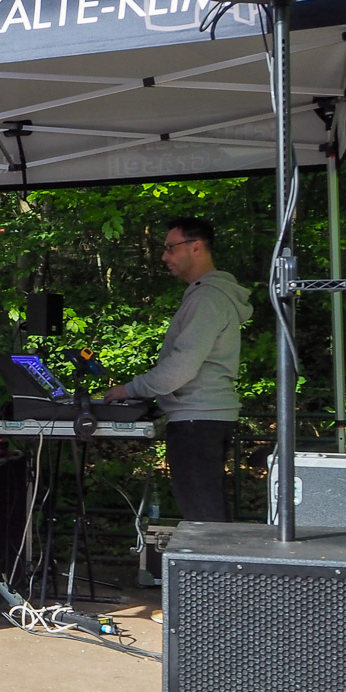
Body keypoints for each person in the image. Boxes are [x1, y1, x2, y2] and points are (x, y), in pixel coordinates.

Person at [102, 217, 252, 522]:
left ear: (196, 247)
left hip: (196, 419)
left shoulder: (208, 298)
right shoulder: (207, 294)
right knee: (207, 513)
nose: (164, 256)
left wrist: (128, 390)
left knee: (203, 520)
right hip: (204, 416)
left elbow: (180, 368)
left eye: (171, 248)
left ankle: (212, 557)